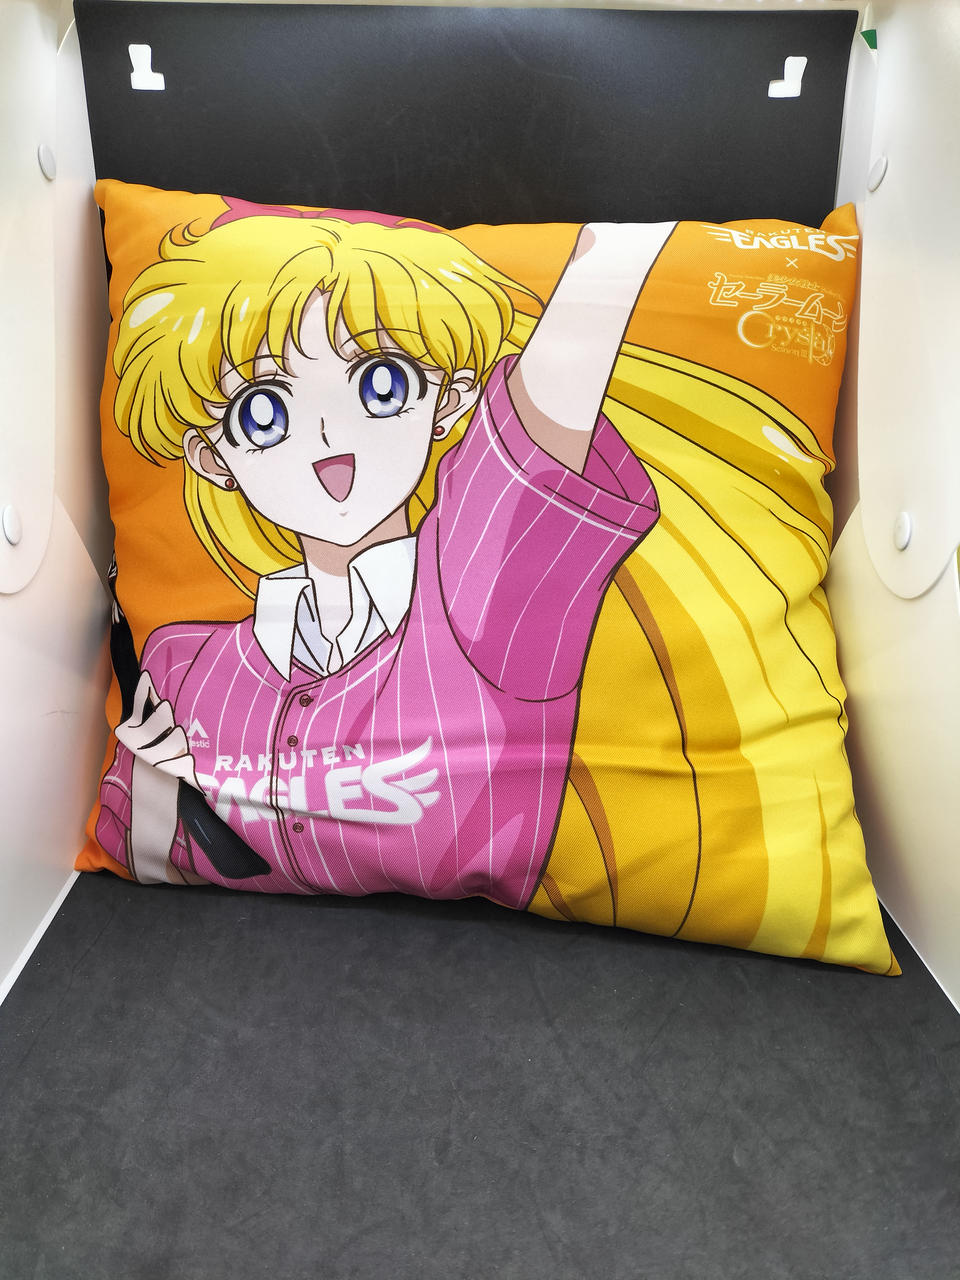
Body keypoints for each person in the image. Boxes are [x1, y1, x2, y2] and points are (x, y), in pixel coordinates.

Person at [96, 211, 674, 903]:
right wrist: (160, 785)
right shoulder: (182, 667)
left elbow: (533, 443)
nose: (327, 438)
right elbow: (151, 846)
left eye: (380, 386)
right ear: (212, 456)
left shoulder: (478, 599)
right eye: (263, 411)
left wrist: (609, 261)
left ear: (448, 402)